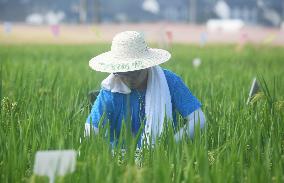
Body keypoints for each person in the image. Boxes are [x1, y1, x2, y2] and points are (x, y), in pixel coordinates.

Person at [85, 31, 205, 147]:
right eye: (123, 74)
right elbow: (91, 128)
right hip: (118, 154)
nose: (128, 79)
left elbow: (198, 119)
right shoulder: (111, 89)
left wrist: (170, 146)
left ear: (146, 66)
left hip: (161, 154)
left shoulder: (169, 81)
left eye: (135, 73)